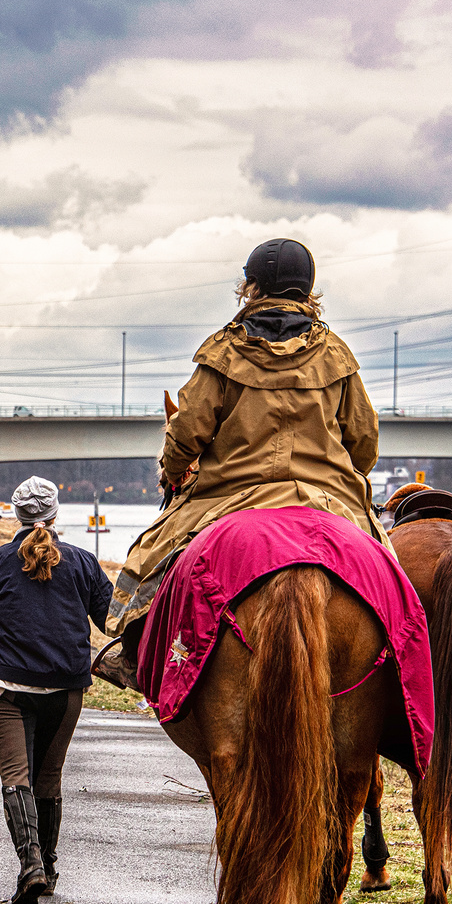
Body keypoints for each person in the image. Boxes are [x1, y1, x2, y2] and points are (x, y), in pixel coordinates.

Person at [100, 238, 387, 681]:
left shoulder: (222, 352)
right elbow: (364, 442)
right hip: (328, 499)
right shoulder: (338, 356)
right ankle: (407, 671)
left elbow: (186, 434)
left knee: (151, 562)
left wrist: (175, 474)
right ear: (309, 291)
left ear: (250, 287)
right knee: (392, 579)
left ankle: (132, 653)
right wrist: (345, 479)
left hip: (228, 497)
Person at [0, 476, 113, 904]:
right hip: (66, 687)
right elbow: (112, 620)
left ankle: (30, 865)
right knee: (49, 778)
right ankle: (47, 866)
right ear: (55, 513)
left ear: (15, 513)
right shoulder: (84, 563)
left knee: (17, 778)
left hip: (7, 686)